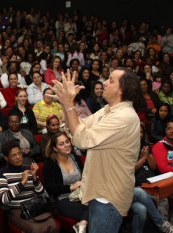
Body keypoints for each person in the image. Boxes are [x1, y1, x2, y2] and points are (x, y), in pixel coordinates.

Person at [50, 68, 140, 233]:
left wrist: (69, 104)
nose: (104, 82)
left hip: (108, 197)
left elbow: (81, 139)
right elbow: (79, 127)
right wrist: (65, 103)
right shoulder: (108, 110)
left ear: (122, 89)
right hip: (99, 192)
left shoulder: (124, 117)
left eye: (111, 80)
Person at [0, 140, 58, 233]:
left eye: (19, 153)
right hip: (17, 210)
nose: (18, 157)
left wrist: (34, 177)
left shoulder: (28, 168)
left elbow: (41, 192)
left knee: (53, 226)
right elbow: (5, 199)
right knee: (37, 230)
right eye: (13, 155)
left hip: (34, 207)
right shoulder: (2, 173)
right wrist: (22, 182)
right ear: (6, 158)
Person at [43, 132, 88, 233]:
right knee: (93, 210)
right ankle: (82, 225)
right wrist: (70, 187)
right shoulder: (50, 163)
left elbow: (85, 176)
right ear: (55, 148)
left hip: (81, 195)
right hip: (62, 199)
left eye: (67, 142)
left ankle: (82, 224)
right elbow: (50, 188)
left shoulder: (75, 158)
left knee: (99, 205)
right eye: (61, 144)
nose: (66, 145)